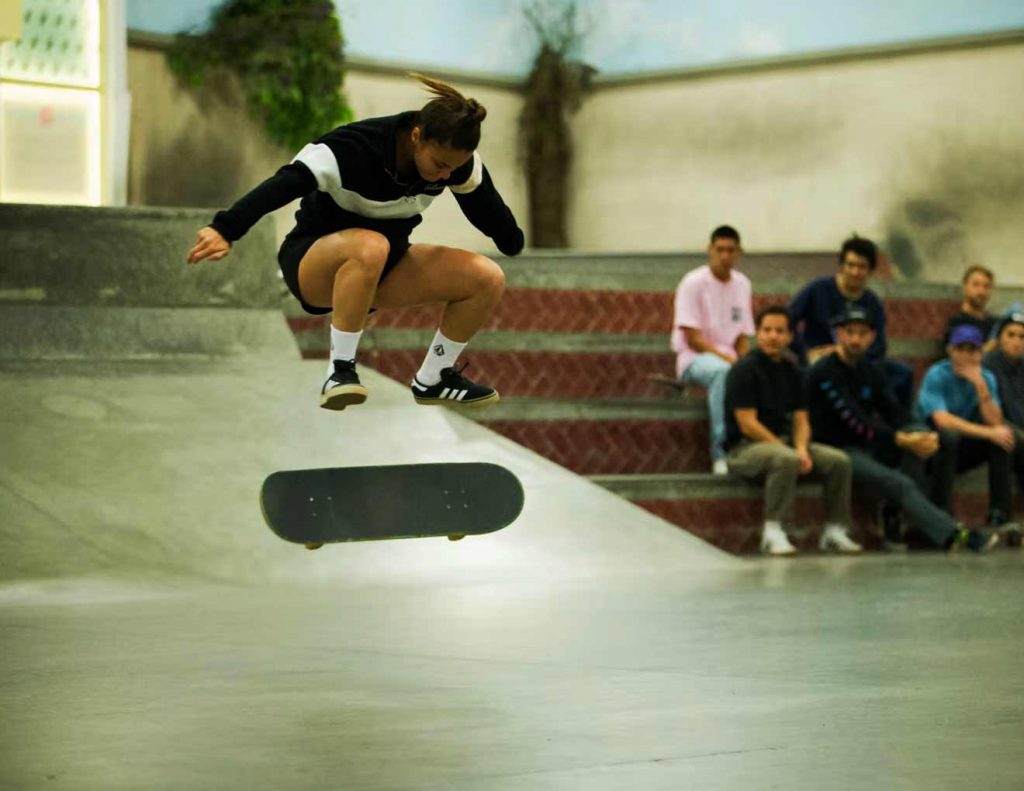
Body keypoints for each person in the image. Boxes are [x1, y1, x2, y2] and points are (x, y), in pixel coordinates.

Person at [187, 73, 524, 410]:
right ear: (417, 136)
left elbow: (487, 209)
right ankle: (340, 371)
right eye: (439, 165)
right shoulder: (352, 148)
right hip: (314, 263)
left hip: (382, 266)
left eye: (454, 168)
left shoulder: (454, 166)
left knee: (486, 277)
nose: (445, 177)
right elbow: (283, 185)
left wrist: (512, 241)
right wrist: (226, 228)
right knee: (371, 245)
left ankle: (434, 378)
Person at [806, 305, 996, 553]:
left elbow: (893, 411)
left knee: (921, 434)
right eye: (849, 332)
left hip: (868, 445)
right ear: (839, 334)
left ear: (872, 337)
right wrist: (901, 439)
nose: (855, 339)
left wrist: (920, 434)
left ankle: (895, 512)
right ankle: (955, 533)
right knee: (899, 482)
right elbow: (854, 422)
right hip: (835, 448)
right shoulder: (823, 372)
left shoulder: (869, 370)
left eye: (862, 333)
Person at [724, 305, 859, 555]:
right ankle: (773, 531)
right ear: (758, 333)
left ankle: (835, 530)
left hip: (784, 443)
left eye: (779, 331)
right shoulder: (743, 370)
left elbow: (801, 419)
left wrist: (800, 448)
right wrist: (787, 449)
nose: (773, 336)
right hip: (744, 449)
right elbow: (747, 423)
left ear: (789, 336)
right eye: (767, 330)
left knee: (838, 461)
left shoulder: (793, 371)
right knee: (784, 458)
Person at [915, 324, 1015, 540]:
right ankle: (940, 511)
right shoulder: (937, 374)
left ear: (980, 353)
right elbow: (942, 420)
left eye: (972, 351)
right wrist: (988, 433)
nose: (966, 356)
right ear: (950, 351)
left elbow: (995, 421)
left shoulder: (986, 378)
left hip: (965, 446)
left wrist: (981, 387)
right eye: (960, 349)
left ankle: (1000, 513)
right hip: (932, 448)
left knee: (1004, 437)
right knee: (952, 436)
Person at [789, 235, 914, 407]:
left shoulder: (872, 303)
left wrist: (849, 352)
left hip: (858, 362)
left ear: (871, 270)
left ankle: (898, 423)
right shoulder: (817, 289)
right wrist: (804, 351)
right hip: (820, 361)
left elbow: (879, 346)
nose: (855, 272)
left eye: (862, 267)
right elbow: (788, 321)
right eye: (851, 265)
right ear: (841, 265)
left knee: (902, 372)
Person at [671, 225, 754, 474]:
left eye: (730, 250)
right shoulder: (693, 282)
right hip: (694, 359)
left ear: (738, 252)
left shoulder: (742, 284)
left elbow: (742, 336)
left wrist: (746, 362)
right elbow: (693, 338)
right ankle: (720, 452)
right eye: (720, 249)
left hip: (728, 358)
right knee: (723, 373)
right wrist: (731, 363)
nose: (725, 255)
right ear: (709, 249)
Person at [983, 308, 1024, 543]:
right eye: (1011, 335)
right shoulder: (990, 364)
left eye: (1022, 336)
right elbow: (993, 413)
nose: (1017, 341)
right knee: (1008, 437)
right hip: (997, 424)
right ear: (1000, 338)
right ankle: (1000, 513)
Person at [943, 265, 997, 353]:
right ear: (964, 287)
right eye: (976, 285)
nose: (981, 291)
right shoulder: (957, 321)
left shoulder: (993, 323)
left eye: (986, 286)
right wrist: (988, 348)